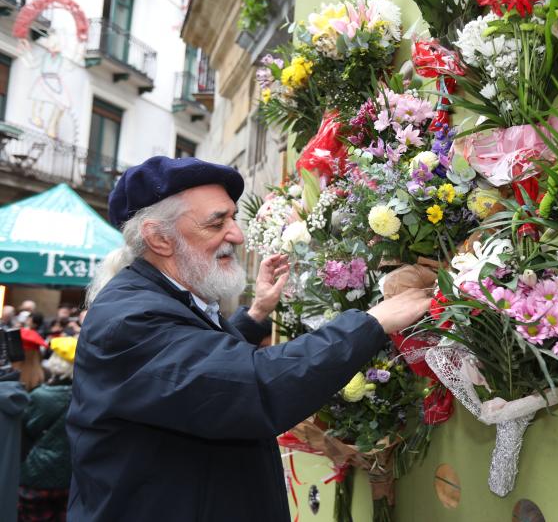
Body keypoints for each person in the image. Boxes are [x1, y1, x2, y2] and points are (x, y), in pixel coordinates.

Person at [66, 156, 430, 522]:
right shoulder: (129, 319)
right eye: (216, 222)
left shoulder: (156, 300)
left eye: (233, 217)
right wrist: (371, 323)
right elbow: (246, 386)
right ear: (160, 238)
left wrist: (255, 316)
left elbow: (192, 364)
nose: (237, 235)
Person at [18, 336, 76, 522]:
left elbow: (27, 428)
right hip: (70, 476)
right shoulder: (85, 397)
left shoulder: (42, 396)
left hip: (36, 475)